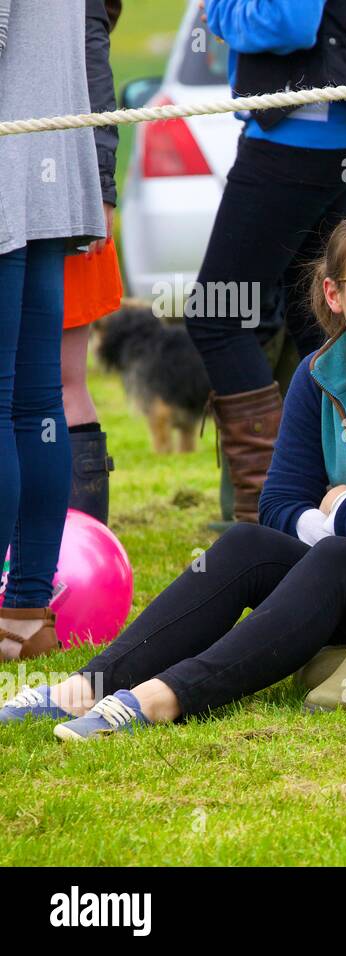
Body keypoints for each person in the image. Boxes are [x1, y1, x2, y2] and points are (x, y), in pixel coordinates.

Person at [0, 209, 346, 738]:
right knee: (248, 542)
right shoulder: (319, 373)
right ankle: (85, 688)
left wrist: (339, 505)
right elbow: (277, 507)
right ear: (335, 295)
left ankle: (160, 700)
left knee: (339, 556)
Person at [185, 0, 346, 523]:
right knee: (318, 318)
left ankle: (269, 513)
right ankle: (339, 507)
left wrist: (218, 13)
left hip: (301, 131)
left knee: (216, 317)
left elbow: (288, 22)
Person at [0, 1, 106, 660]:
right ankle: (27, 617)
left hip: (14, 161)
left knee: (16, 400)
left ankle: (24, 613)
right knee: (34, 402)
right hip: (44, 162)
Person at [62, 0, 123, 526]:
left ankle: (77, 553)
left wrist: (99, 188)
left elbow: (93, 78)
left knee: (63, 380)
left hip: (57, 194)